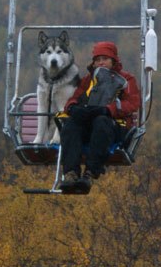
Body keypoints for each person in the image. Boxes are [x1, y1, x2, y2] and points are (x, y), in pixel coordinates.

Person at [56, 40, 140, 194]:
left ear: (113, 60)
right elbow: (75, 97)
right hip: (90, 125)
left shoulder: (126, 80)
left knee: (101, 122)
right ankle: (70, 173)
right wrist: (73, 107)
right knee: (71, 125)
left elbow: (133, 103)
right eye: (98, 59)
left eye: (105, 59)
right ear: (93, 63)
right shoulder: (89, 80)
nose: (101, 63)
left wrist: (110, 110)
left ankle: (90, 173)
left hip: (113, 126)